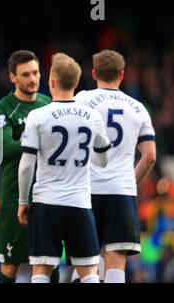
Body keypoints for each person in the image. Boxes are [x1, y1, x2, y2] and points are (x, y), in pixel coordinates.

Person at [17, 53, 111, 283]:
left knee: (41, 270)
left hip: (46, 202)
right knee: (89, 271)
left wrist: (22, 202)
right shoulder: (93, 116)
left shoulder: (37, 115)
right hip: (79, 202)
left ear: (51, 82)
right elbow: (104, 160)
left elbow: (27, 164)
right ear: (76, 83)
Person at [71, 50, 156, 283]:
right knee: (116, 261)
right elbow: (149, 156)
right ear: (122, 74)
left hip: (86, 189)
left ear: (94, 73)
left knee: (87, 259)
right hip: (121, 190)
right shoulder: (139, 108)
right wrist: (130, 182)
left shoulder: (81, 101)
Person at [0, 50, 56, 283]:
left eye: (36, 72)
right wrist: (40, 144)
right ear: (12, 77)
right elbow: (3, 148)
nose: (33, 79)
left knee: (50, 262)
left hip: (48, 194)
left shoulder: (49, 105)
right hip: (14, 195)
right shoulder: (1, 108)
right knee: (10, 266)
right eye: (26, 74)